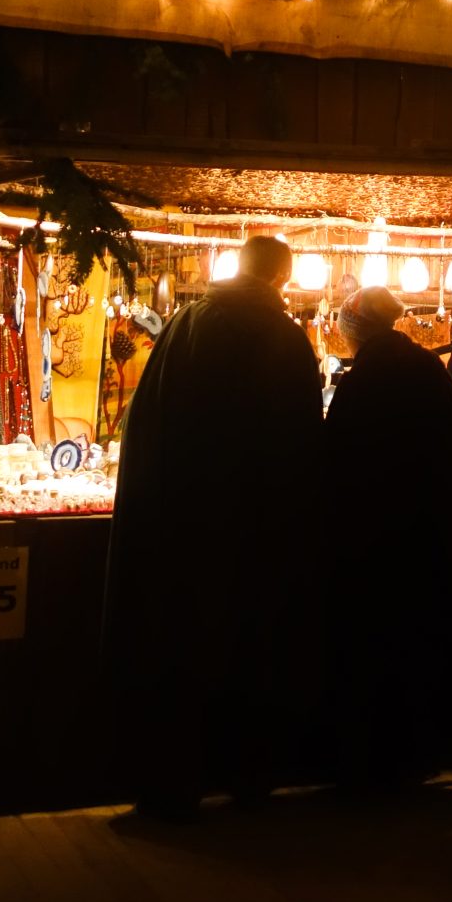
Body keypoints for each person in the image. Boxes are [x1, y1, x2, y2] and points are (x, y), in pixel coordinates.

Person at [101, 236, 326, 820]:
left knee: (178, 650)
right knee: (253, 650)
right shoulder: (280, 336)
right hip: (259, 528)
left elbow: (151, 424)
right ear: (281, 277)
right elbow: (299, 437)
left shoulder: (187, 325)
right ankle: (249, 777)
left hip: (181, 521)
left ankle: (170, 786)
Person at [323, 284, 452, 789]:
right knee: (420, 645)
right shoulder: (425, 367)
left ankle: (373, 761)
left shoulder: (365, 377)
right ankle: (417, 754)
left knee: (371, 650)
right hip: (428, 532)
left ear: (354, 330)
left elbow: (339, 456)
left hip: (373, 536)